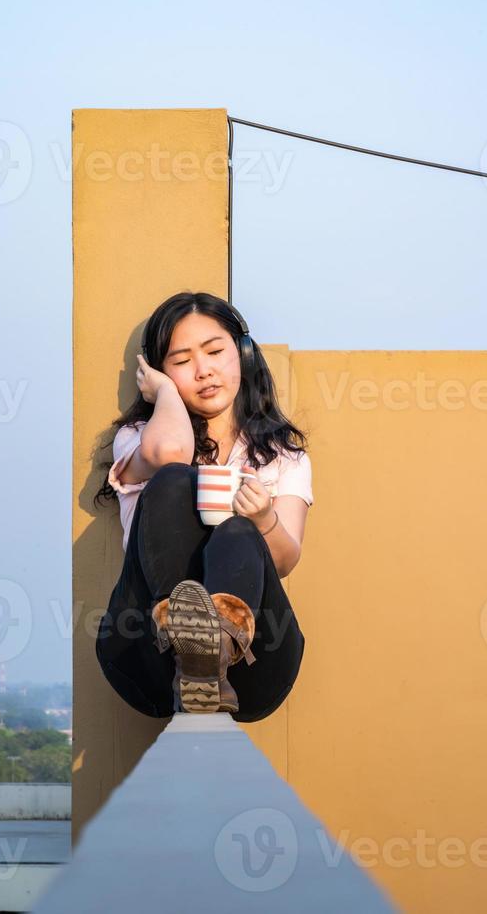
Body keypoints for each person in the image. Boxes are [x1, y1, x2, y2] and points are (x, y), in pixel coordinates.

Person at [93, 291, 312, 721]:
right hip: (149, 661)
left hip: (254, 668)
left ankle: (214, 657)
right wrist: (166, 397)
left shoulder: (285, 456)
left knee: (237, 530)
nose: (204, 370)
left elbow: (285, 561)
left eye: (215, 352)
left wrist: (264, 520)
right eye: (181, 361)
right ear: (159, 372)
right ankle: (188, 657)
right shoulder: (141, 438)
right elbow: (170, 453)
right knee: (174, 480)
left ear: (243, 355)